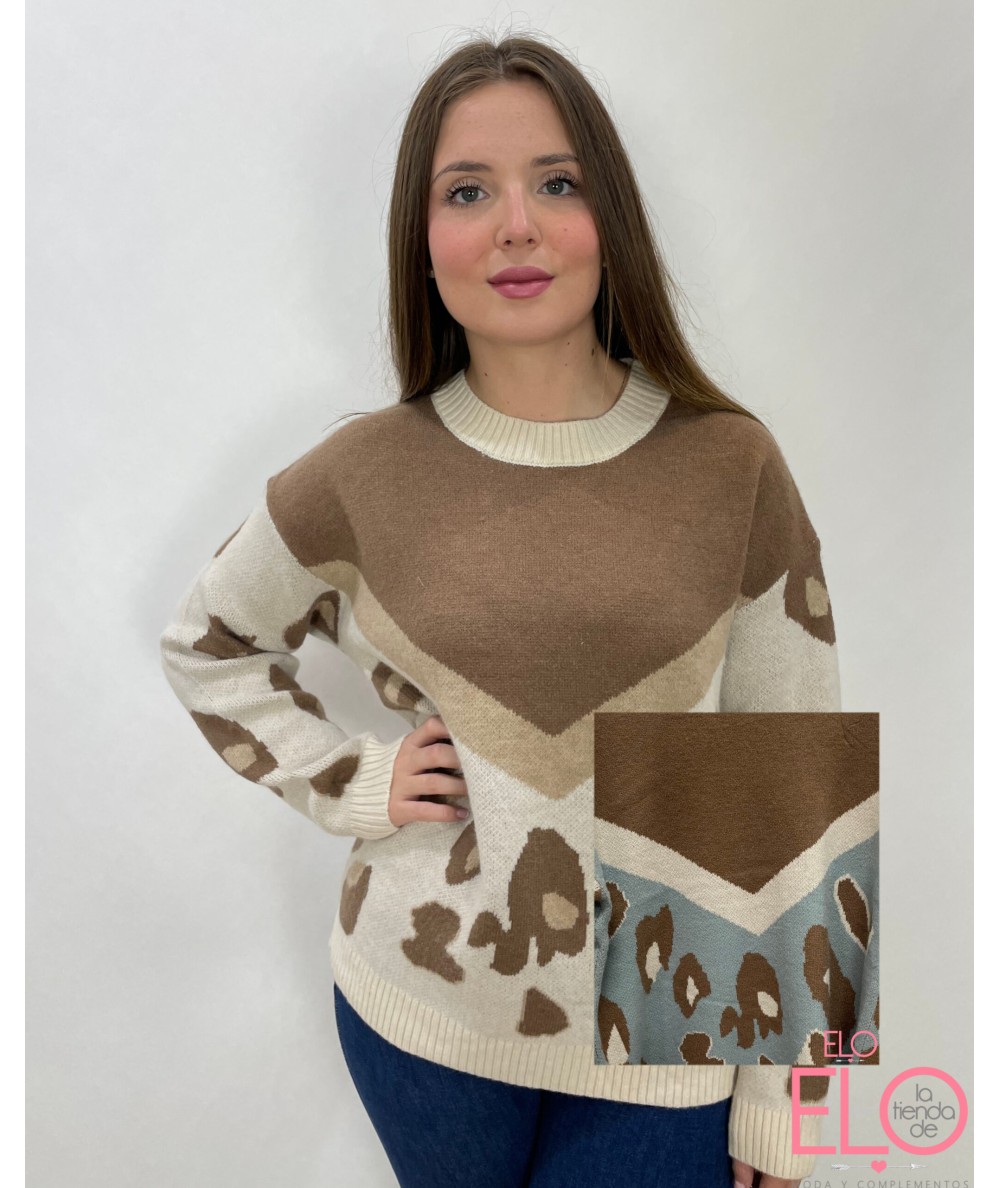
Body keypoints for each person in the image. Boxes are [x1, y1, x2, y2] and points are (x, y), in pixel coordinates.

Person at [160, 32, 841, 1188]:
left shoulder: (729, 464)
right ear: (421, 239)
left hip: (668, 1024)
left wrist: (796, 1097)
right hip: (421, 1011)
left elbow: (792, 774)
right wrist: (352, 780)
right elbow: (205, 645)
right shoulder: (361, 472)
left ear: (610, 219)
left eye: (557, 183)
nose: (515, 226)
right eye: (467, 191)